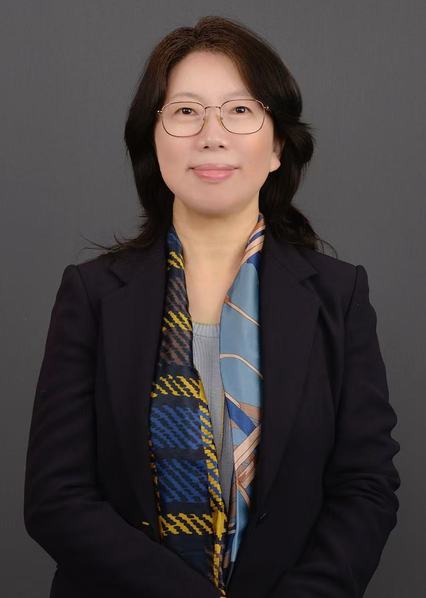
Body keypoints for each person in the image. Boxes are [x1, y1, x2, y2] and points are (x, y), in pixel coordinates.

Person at [23, 14, 401, 598]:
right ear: (153, 140)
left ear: (277, 146)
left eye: (240, 110)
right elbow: (56, 498)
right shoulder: (92, 294)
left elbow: (365, 486)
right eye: (185, 111)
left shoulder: (338, 295)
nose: (211, 135)